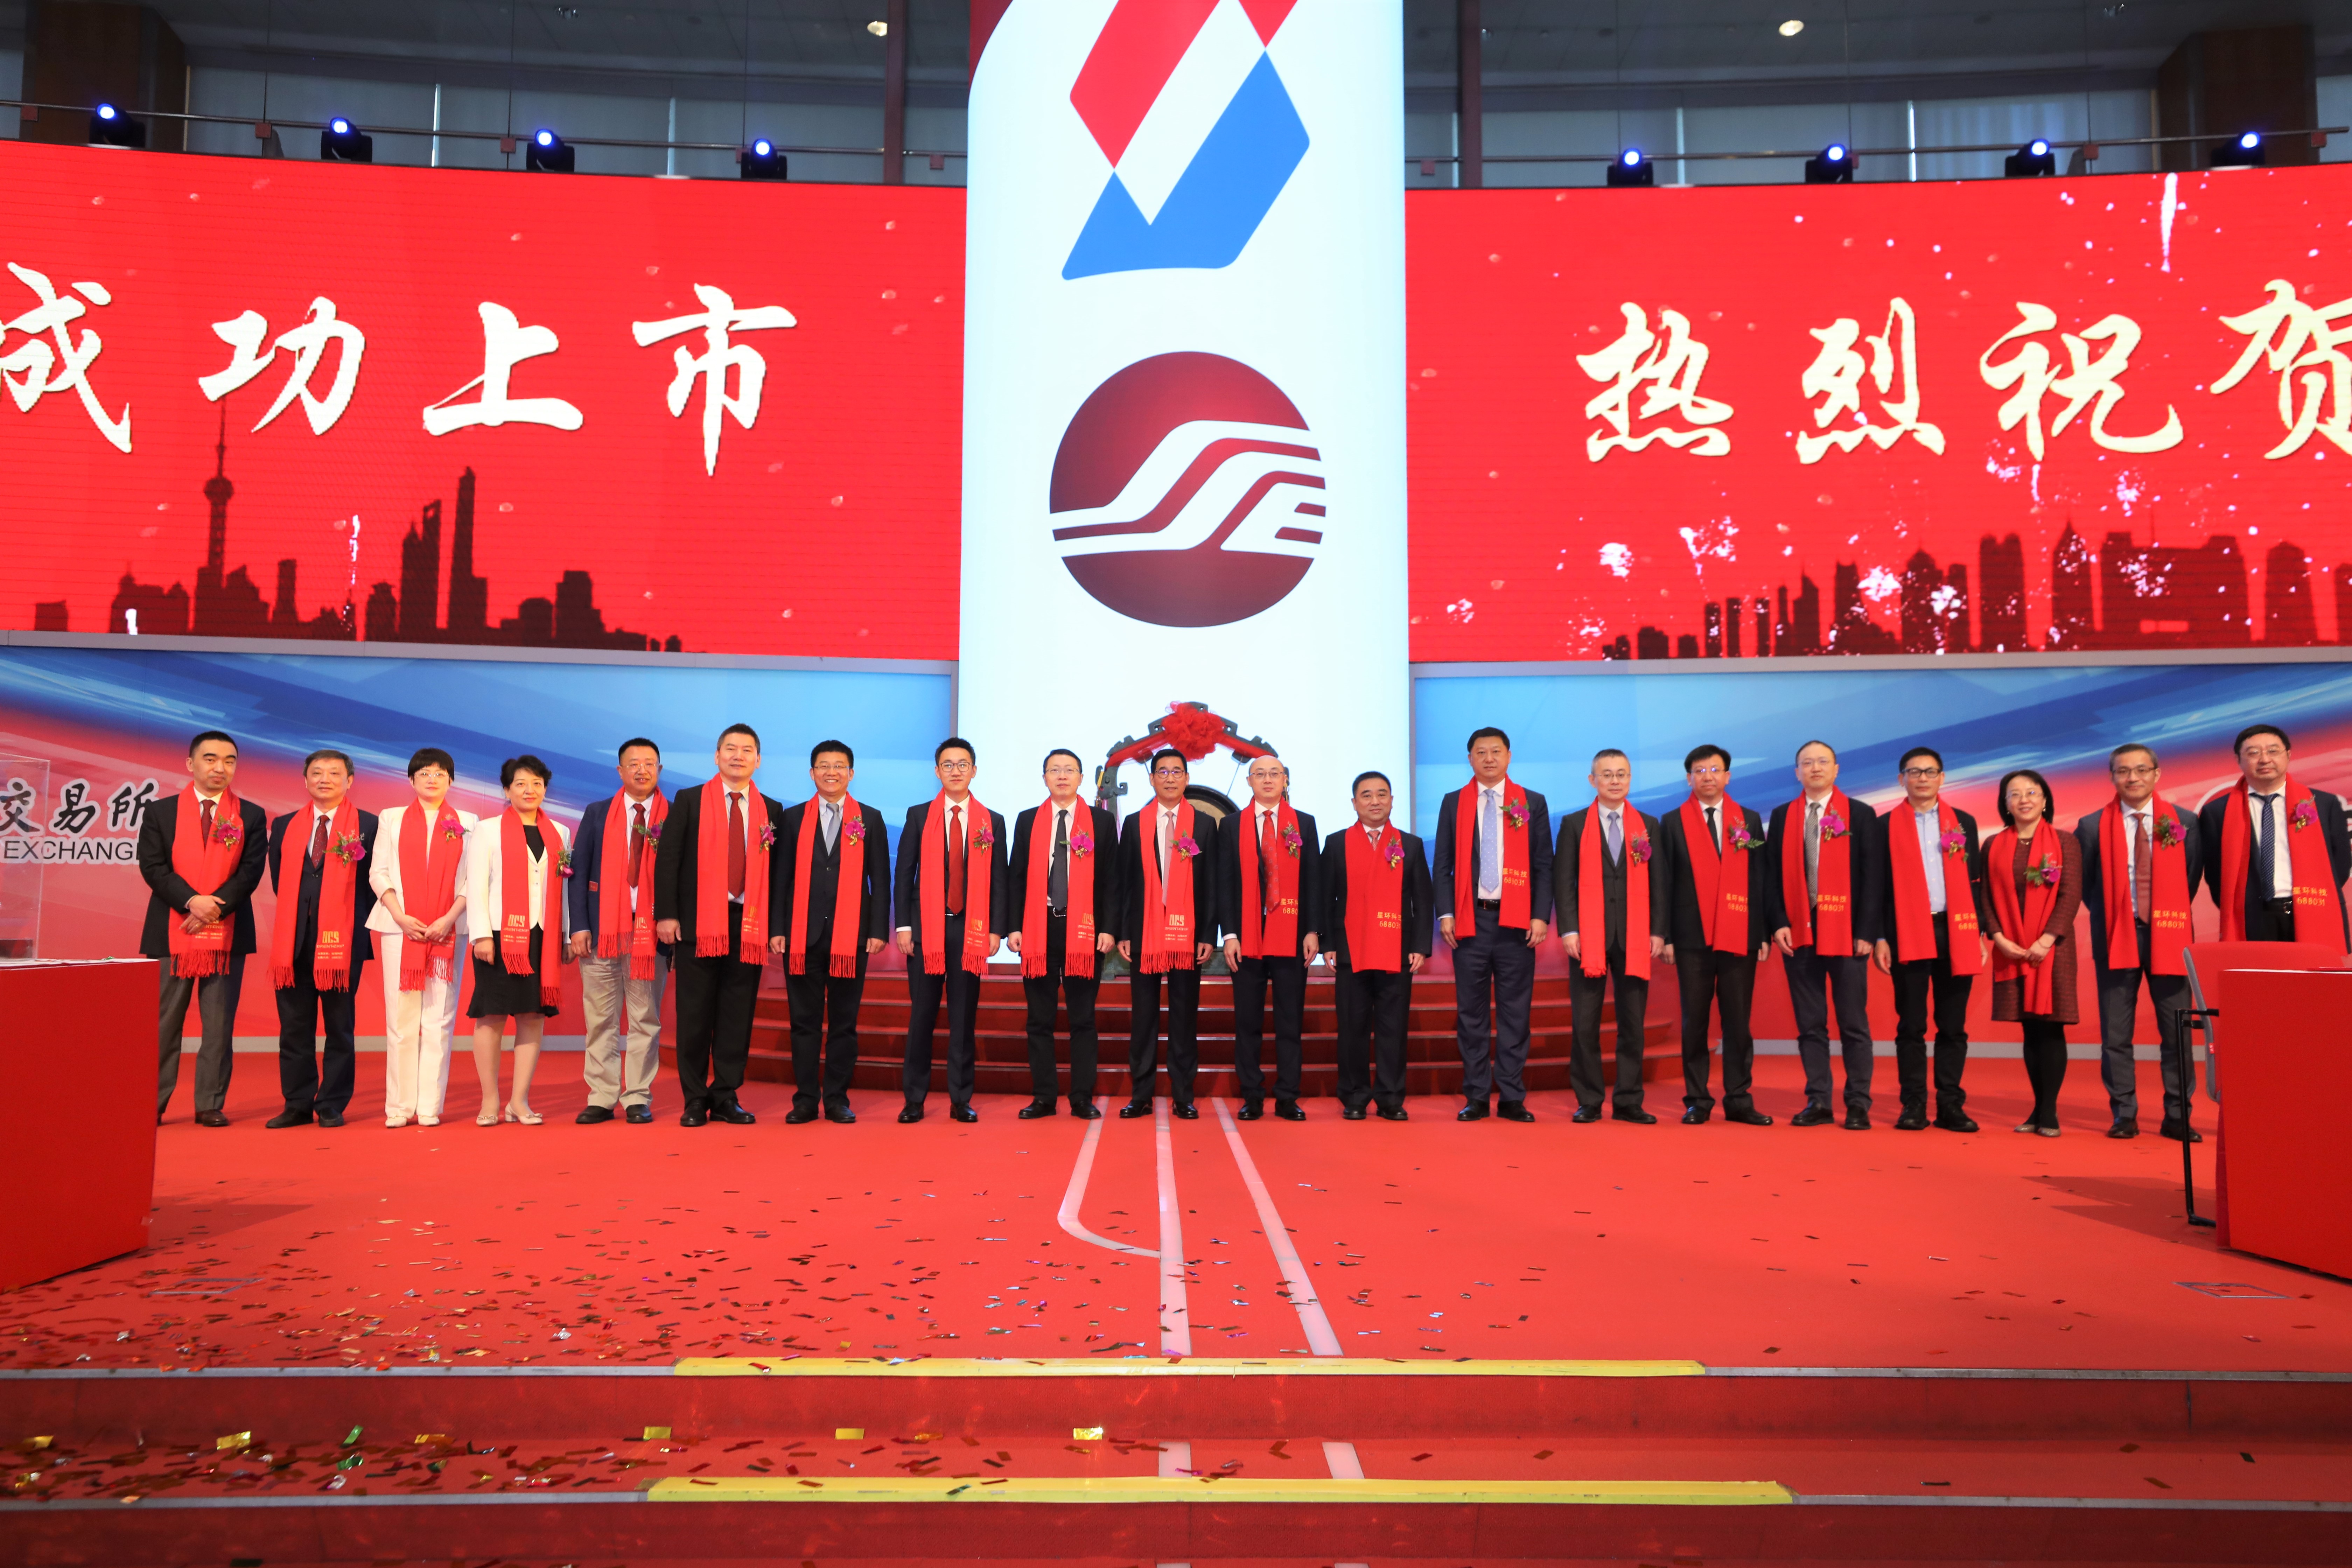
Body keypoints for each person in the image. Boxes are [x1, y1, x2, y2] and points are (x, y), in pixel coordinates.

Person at [654, 724, 782, 1128]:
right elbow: (669, 859)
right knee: (694, 1015)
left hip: (748, 923)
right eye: (730, 748)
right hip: (697, 924)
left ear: (758, 760)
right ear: (717, 756)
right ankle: (695, 1099)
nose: (738, 756)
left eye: (746, 750)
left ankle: (726, 1095)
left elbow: (778, 875)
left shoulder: (771, 810)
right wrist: (667, 915)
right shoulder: (690, 800)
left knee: (736, 1015)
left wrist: (776, 926)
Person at [141, 729, 267, 1127]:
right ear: (190, 763)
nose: (220, 768)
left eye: (229, 761)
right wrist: (192, 901)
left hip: (226, 931)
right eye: (210, 759)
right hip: (172, 929)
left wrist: (213, 907)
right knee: (165, 1022)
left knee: (218, 1024)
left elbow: (250, 873)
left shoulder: (251, 815)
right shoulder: (160, 812)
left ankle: (210, 1103)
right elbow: (153, 867)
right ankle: (152, 1102)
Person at [2077, 744, 2204, 1141]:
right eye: (2123, 771)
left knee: (2177, 1030)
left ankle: (2178, 1116)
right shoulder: (2092, 825)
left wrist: (2163, 915)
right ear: (2112, 776)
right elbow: (2088, 886)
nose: (2132, 778)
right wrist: (2119, 917)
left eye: (2141, 770)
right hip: (2118, 934)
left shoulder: (2184, 821)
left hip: (2170, 934)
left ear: (2156, 774)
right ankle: (2124, 1114)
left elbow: (2191, 877)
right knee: (2116, 1033)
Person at [1430, 727, 1554, 1122]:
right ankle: (1477, 1096)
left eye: (1496, 752)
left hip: (1516, 922)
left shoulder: (1532, 802)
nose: (1489, 759)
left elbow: (1544, 865)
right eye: (1480, 752)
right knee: (1472, 1015)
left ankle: (1513, 1096)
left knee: (1516, 1013)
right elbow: (1443, 864)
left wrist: (1540, 915)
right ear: (1470, 759)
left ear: (1509, 756)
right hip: (1471, 920)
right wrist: (1446, 913)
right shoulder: (1454, 802)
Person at [1765, 740, 1883, 1129]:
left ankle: (1858, 1103)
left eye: (1822, 762)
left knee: (1853, 1023)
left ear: (1836, 769)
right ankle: (1818, 1100)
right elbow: (1771, 876)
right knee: (1810, 1023)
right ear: (1797, 772)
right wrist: (1778, 922)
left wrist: (1867, 931)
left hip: (1847, 934)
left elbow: (1873, 878)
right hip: (1799, 932)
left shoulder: (1861, 814)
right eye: (1807, 763)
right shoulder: (1783, 816)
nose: (1815, 768)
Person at [776, 740, 892, 1126]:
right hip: (801, 937)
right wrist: (778, 928)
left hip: (851, 937)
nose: (832, 772)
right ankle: (806, 1100)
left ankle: (838, 1099)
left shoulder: (870, 818)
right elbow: (781, 879)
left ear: (851, 773)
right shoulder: (793, 818)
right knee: (804, 1023)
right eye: (824, 766)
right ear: (812, 773)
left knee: (844, 1023)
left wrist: (878, 929)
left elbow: (881, 879)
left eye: (839, 766)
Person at [1869, 747, 1984, 1133]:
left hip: (1956, 931)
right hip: (1906, 932)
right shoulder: (1884, 826)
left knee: (1953, 1026)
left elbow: (1976, 882)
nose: (1922, 778)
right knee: (1911, 1025)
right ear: (1901, 779)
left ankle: (1951, 1105)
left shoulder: (1964, 822)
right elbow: (1876, 888)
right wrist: (1881, 936)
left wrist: (1978, 932)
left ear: (1942, 777)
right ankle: (1914, 1104)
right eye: (1914, 772)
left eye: (1930, 771)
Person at [261, 750, 379, 1130]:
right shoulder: (284, 825)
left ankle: (331, 1103)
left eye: (334, 773)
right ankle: (297, 1103)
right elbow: (280, 880)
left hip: (343, 941)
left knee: (339, 1027)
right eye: (317, 773)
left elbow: (374, 884)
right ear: (305, 779)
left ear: (350, 781)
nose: (324, 779)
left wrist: (346, 917)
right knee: (294, 1027)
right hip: (293, 942)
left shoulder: (369, 825)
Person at [1655, 744, 1771, 1126]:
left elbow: (1759, 879)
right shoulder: (1672, 822)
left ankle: (1739, 1099)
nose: (1708, 776)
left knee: (1738, 1021)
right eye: (1700, 770)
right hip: (1691, 939)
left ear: (1728, 776)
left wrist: (1763, 932)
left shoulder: (1748, 820)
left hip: (1739, 935)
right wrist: (1666, 936)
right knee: (1696, 1022)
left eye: (1715, 769)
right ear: (1689, 778)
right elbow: (1664, 883)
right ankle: (1698, 1100)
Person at [895, 737, 1008, 1123]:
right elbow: (903, 873)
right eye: (948, 764)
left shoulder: (992, 821)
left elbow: (999, 880)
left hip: (970, 929)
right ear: (937, 771)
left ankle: (961, 1099)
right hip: (925, 929)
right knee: (922, 1018)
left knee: (963, 1019)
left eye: (963, 764)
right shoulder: (918, 815)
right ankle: (914, 1099)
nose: (956, 771)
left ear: (974, 771)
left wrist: (996, 929)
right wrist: (904, 926)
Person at [1553, 749, 1667, 1124]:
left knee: (1632, 1025)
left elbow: (1659, 884)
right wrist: (1570, 929)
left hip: (1634, 937)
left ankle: (1629, 1101)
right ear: (1593, 781)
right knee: (1585, 1025)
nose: (1615, 781)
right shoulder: (1574, 824)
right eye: (1607, 775)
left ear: (1630, 779)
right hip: (1588, 938)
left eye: (1622, 774)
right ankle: (1589, 1100)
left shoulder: (1648, 824)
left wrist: (1658, 931)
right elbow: (1563, 881)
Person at [1008, 748, 1119, 1119]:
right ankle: (1044, 1097)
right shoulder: (1028, 820)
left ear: (1081, 778)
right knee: (1039, 1020)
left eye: (1069, 770)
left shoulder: (1101, 822)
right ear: (1044, 778)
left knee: (1082, 1019)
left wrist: (1109, 928)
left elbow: (1112, 880)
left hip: (1084, 929)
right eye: (1054, 770)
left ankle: (1082, 1097)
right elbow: (1016, 876)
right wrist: (1013, 926)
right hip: (1039, 928)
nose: (1062, 776)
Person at [369, 747, 476, 1128]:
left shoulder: (468, 821)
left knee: (439, 1018)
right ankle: (399, 1106)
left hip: (449, 929)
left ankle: (429, 1105)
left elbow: (473, 878)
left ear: (451, 780)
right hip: (400, 929)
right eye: (425, 773)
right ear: (411, 780)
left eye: (440, 773)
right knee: (401, 1019)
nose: (433, 779)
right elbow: (379, 871)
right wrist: (400, 916)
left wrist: (449, 918)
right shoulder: (392, 818)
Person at [566, 738, 669, 1127]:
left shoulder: (673, 815)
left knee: (645, 1019)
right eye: (634, 763)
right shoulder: (597, 813)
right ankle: (602, 1096)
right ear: (620, 771)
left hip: (650, 935)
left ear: (660, 769)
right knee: (601, 1019)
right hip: (601, 933)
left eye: (650, 763)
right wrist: (579, 925)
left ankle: (638, 1096)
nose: (642, 770)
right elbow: (578, 874)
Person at [464, 755, 571, 1126]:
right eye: (521, 784)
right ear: (507, 790)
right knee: (492, 1016)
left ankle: (519, 1101)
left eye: (537, 783)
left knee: (532, 1015)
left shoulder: (560, 832)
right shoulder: (487, 830)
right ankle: (490, 1100)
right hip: (498, 935)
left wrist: (566, 934)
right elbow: (476, 884)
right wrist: (481, 934)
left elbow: (563, 889)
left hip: (543, 934)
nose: (530, 790)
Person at [1321, 771, 1431, 1121]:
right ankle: (1354, 1096)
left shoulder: (1410, 844)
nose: (1375, 801)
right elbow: (1326, 898)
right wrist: (1328, 943)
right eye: (1367, 795)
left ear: (1392, 801)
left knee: (1393, 1028)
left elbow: (1423, 900)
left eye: (1382, 794)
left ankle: (1390, 1098)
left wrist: (1420, 945)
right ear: (1354, 803)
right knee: (1352, 1028)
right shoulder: (1336, 843)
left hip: (1396, 950)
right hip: (1350, 950)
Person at [1117, 749, 1220, 1120]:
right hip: (1144, 934)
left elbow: (1211, 885)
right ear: (1152, 779)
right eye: (1163, 772)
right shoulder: (1135, 823)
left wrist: (1208, 933)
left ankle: (1183, 1095)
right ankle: (1141, 1095)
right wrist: (1125, 931)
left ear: (1187, 779)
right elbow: (1125, 882)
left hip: (1187, 936)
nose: (1170, 778)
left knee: (1184, 1017)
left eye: (1177, 772)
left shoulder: (1204, 824)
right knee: (1143, 1017)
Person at [1980, 769, 2083, 1137]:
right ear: (2005, 804)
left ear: (2045, 800)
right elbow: (1986, 895)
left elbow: (2070, 894)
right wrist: (1997, 937)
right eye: (2015, 794)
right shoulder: (1992, 844)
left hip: (2053, 949)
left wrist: (2046, 940)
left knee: (2051, 1028)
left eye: (2032, 792)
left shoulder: (2065, 842)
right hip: (2013, 948)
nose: (2024, 799)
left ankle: (2049, 1111)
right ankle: (2037, 1108)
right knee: (2029, 1029)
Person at [1218, 754, 1320, 1121]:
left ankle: (1288, 1096)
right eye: (1259, 774)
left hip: (1291, 935)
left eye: (1274, 774)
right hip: (1247, 937)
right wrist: (1230, 934)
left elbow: (1313, 880)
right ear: (1249, 781)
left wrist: (1313, 930)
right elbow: (1225, 882)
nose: (1267, 780)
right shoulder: (1232, 825)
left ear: (1285, 780)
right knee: (1248, 1022)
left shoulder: (1303, 823)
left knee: (1289, 1021)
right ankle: (1252, 1095)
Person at [2198, 724, 2351, 952]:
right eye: (2253, 753)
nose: (2265, 759)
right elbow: (2214, 873)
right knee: (2259, 975)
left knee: (2314, 975)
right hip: (2252, 918)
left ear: (2288, 755)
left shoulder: (2324, 804)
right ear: (2238, 760)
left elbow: (2341, 863)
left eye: (2273, 751)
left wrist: (2314, 895)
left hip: (2312, 909)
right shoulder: (2217, 812)